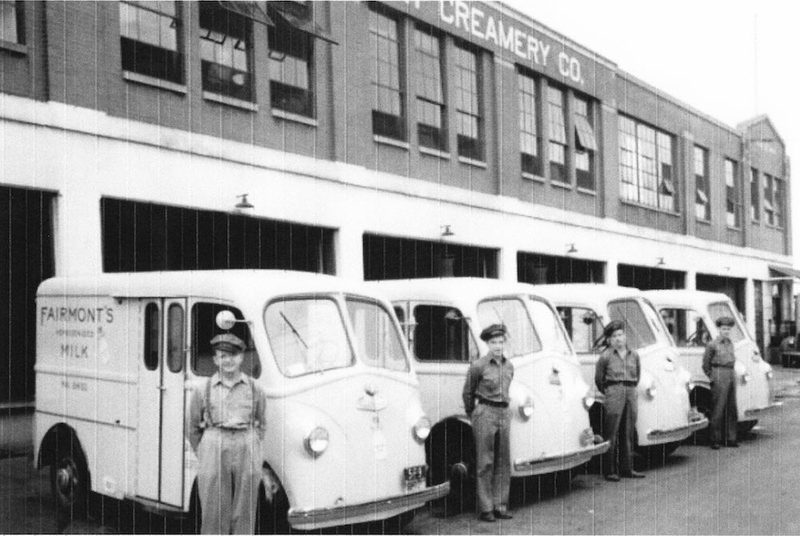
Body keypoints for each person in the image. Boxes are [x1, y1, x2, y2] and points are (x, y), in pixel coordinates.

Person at [188, 333, 267, 534]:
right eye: (223, 356)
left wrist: (252, 443)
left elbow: (262, 423)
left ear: (241, 358)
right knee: (213, 506)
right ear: (215, 360)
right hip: (214, 441)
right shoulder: (203, 388)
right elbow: (192, 426)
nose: (228, 360)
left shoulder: (255, 388)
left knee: (245, 505)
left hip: (246, 442)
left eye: (233, 355)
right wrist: (206, 451)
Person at [462, 323, 514, 523]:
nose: (498, 346)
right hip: (485, 411)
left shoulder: (509, 366)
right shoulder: (478, 366)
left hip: (503, 412)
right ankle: (486, 508)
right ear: (487, 343)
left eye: (501, 342)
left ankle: (500, 505)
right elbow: (468, 391)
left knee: (503, 461)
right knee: (485, 462)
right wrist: (472, 412)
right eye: (493, 342)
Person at [594, 320, 645, 481]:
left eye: (621, 334)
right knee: (612, 431)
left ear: (625, 336)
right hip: (614, 391)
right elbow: (599, 380)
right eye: (614, 336)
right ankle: (610, 470)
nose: (618, 339)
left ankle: (627, 468)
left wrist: (629, 388)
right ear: (609, 339)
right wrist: (611, 391)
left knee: (628, 431)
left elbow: (638, 375)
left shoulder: (634, 355)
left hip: (631, 390)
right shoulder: (606, 357)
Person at [703, 316, 739, 450]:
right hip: (719, 373)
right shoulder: (712, 344)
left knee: (731, 407)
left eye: (728, 329)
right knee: (718, 407)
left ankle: (731, 438)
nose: (726, 331)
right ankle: (715, 439)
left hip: (730, 373)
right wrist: (712, 376)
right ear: (719, 329)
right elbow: (706, 364)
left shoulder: (730, 343)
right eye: (724, 329)